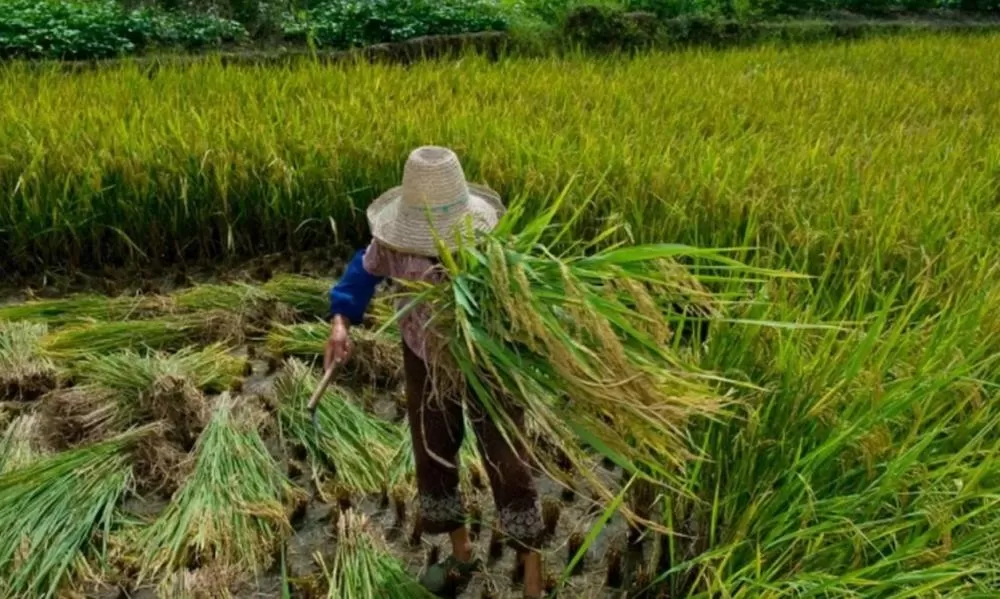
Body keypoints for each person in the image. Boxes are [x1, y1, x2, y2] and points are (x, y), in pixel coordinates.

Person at [324, 146, 547, 598]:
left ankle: (532, 576)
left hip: (486, 359)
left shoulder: (487, 246)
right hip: (423, 356)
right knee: (433, 449)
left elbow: (523, 301)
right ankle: (461, 555)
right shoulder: (392, 245)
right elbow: (360, 275)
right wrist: (340, 323)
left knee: (507, 458)